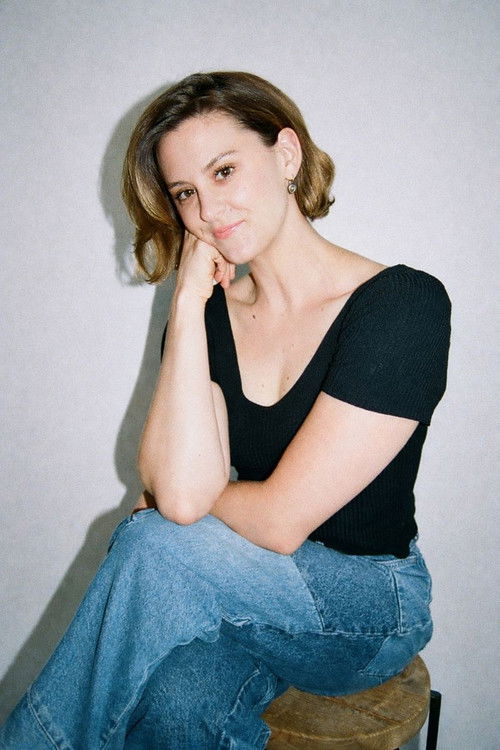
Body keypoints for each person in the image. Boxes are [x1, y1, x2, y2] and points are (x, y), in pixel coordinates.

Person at [0, 71, 451, 749]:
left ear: (287, 155)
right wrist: (187, 303)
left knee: (153, 543)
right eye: (186, 192)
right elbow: (180, 494)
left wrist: (185, 508)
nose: (207, 209)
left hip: (367, 609)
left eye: (224, 171)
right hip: (244, 592)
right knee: (175, 707)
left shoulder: (402, 308)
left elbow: (274, 521)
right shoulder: (208, 317)